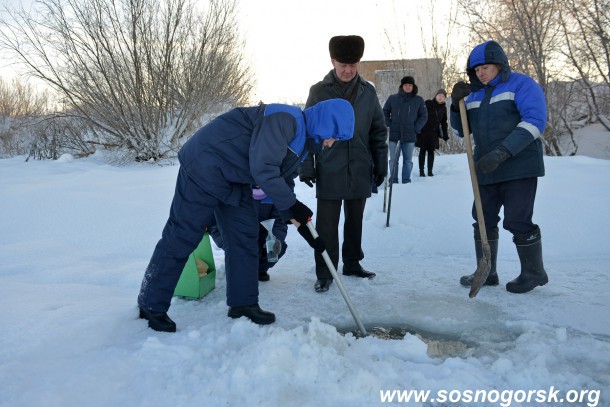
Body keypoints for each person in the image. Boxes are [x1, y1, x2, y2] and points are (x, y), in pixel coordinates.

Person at [137, 99, 355, 332]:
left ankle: (243, 304)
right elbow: (264, 168)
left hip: (236, 179)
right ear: (325, 124)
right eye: (334, 136)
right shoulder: (284, 119)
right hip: (206, 164)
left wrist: (302, 225)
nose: (331, 144)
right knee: (183, 233)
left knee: (245, 237)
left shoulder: (301, 142)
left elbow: (281, 183)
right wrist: (292, 205)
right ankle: (151, 304)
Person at [450, 40, 549, 294]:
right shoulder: (473, 94)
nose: (481, 72)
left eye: (486, 67)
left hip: (519, 165)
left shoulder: (521, 85)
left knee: (517, 219)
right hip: (485, 167)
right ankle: (487, 270)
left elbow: (535, 121)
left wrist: (503, 152)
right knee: (483, 218)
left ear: (500, 65)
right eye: (476, 69)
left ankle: (533, 273)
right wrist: (454, 105)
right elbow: (462, 129)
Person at [299, 35, 388, 293]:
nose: (348, 70)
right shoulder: (319, 92)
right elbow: (306, 131)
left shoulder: (368, 92)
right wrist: (306, 166)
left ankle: (352, 263)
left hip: (360, 165)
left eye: (353, 64)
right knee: (327, 225)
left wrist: (380, 164)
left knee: (355, 220)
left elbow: (378, 132)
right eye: (343, 65)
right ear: (332, 61)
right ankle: (325, 271)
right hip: (330, 167)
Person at [208, 190, 288, 282]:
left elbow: (279, 221)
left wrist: (277, 238)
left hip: (262, 237)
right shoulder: (230, 190)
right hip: (236, 237)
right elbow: (214, 225)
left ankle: (260, 269)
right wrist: (225, 243)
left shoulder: (271, 191)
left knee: (278, 248)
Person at [383, 76, 428, 184]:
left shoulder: (418, 100)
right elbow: (384, 112)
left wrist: (416, 128)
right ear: (402, 86)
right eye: (405, 85)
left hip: (410, 136)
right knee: (393, 161)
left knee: (408, 161)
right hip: (395, 136)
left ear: (413, 86)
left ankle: (406, 181)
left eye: (410, 85)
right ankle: (393, 181)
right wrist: (389, 124)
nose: (407, 87)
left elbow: (424, 116)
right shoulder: (393, 98)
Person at [416, 89, 449, 177]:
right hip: (423, 131)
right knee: (422, 151)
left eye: (443, 96)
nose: (440, 97)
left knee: (431, 152)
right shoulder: (428, 103)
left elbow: (444, 122)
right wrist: (417, 126)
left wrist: (445, 134)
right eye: (439, 95)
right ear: (436, 95)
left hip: (434, 133)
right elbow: (419, 113)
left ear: (444, 98)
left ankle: (430, 171)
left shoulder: (444, 108)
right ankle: (421, 171)